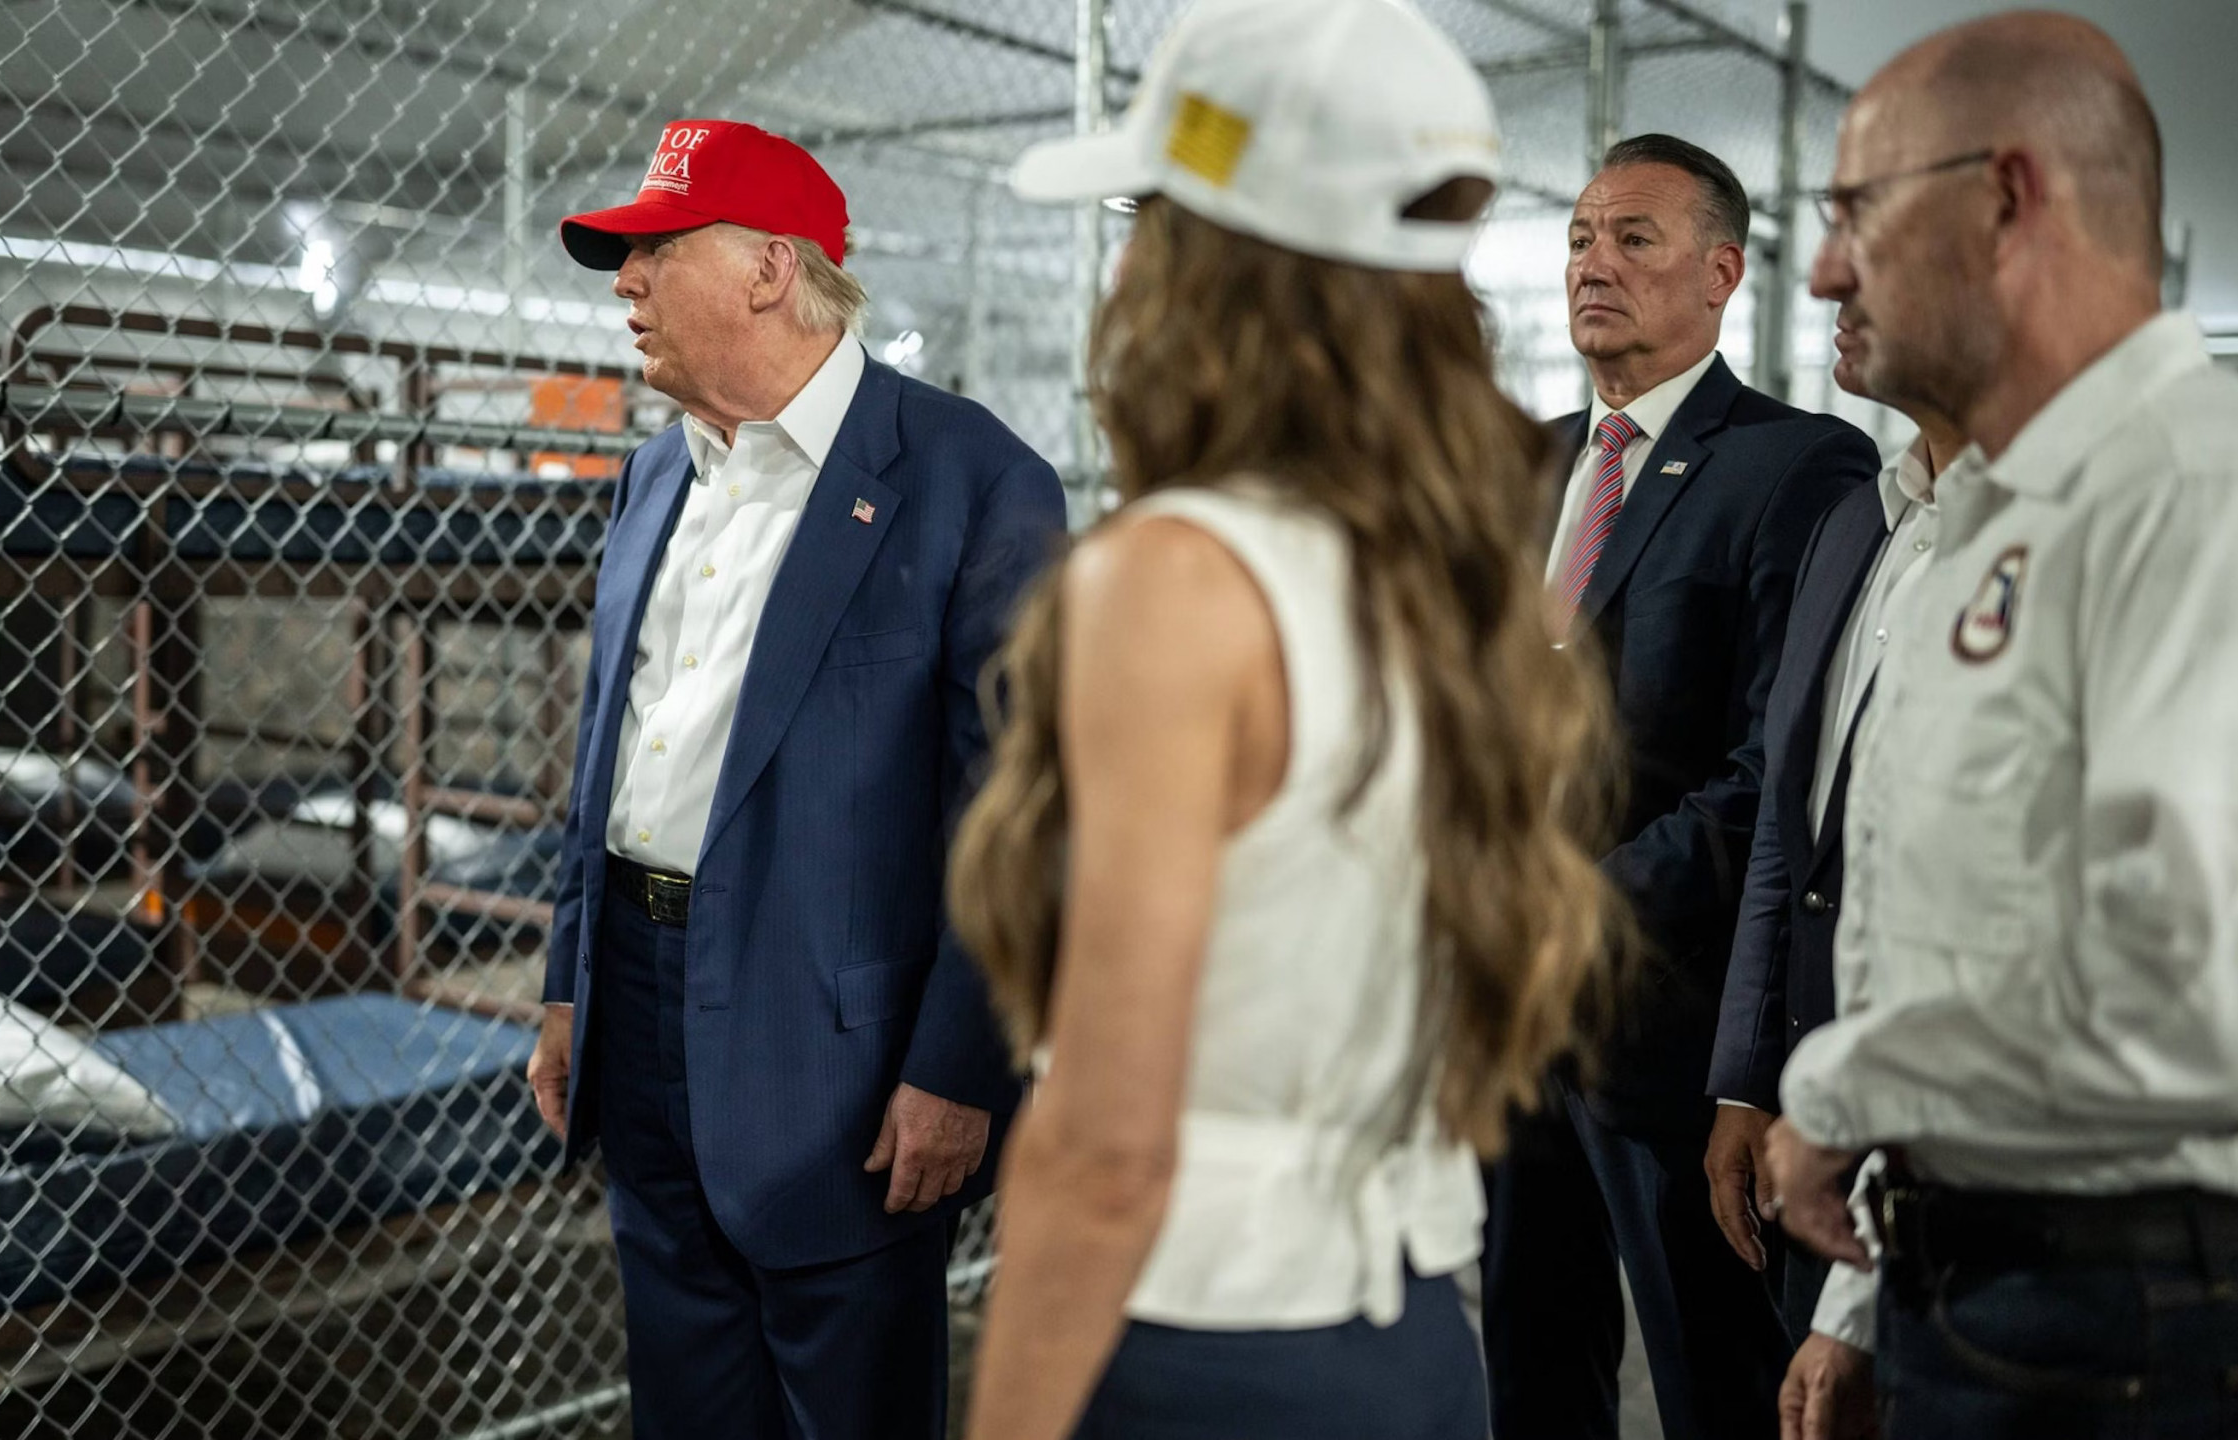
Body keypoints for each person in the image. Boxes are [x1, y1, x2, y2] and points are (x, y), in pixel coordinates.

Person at [950, 1, 1622, 1435]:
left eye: (1149, 220)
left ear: (1206, 262)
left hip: (1204, 1351)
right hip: (1410, 1342)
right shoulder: (1439, 576)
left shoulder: (1176, 578)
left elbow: (1108, 1148)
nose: (1126, 267)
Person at [525, 119, 1066, 1439]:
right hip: (637, 1004)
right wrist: (569, 980)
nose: (625, 283)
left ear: (772, 268)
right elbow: (612, 750)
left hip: (843, 1050)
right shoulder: (653, 477)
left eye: (657, 250)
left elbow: (1018, 812)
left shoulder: (971, 478)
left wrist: (960, 1066)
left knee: (849, 1404)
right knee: (687, 1398)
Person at [1761, 13, 2238, 1439]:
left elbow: (2194, 1003)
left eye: (1855, 209)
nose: (1824, 268)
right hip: (1980, 1277)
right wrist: (1872, 1295)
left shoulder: (2192, 495)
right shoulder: (1986, 521)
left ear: (2006, 197)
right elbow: (1955, 940)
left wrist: (1840, 1095)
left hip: (2130, 1310)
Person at [1481, 133, 1879, 1440]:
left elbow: (1774, 769)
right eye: (1579, 240)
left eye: (1633, 238)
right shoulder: (1526, 464)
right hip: (1514, 1023)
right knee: (1529, 1366)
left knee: (1716, 1384)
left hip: (1676, 1033)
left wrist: (1573, 909)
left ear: (1720, 273)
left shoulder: (1796, 467)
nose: (1592, 264)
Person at [1706, 398, 1960, 1429]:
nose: (1842, 316)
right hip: (1813, 1119)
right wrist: (1744, 1076)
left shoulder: (2044, 542)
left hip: (1945, 1150)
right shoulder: (1858, 520)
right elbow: (1789, 824)